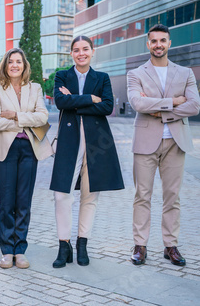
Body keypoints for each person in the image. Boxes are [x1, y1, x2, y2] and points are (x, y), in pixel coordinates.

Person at [127, 24, 200, 266]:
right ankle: (140, 245)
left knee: (172, 197)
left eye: (163, 40)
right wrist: (173, 102)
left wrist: (160, 111)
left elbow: (194, 106)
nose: (158, 44)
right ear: (148, 44)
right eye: (154, 41)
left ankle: (170, 246)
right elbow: (138, 103)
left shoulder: (185, 73)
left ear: (169, 43)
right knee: (142, 196)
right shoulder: (135, 74)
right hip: (145, 142)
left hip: (175, 142)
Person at [50, 36, 124, 268]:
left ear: (93, 51)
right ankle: (64, 245)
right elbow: (60, 102)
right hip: (68, 142)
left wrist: (75, 100)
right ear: (71, 53)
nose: (80, 53)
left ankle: (82, 244)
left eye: (85, 49)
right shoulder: (62, 75)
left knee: (90, 195)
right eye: (76, 50)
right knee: (61, 194)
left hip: (97, 143)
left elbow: (108, 106)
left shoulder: (101, 77)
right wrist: (90, 99)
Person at [0, 48, 52, 269]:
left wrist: (15, 116)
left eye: (18, 62)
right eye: (10, 62)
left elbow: (43, 117)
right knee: (7, 202)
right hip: (5, 150)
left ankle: (20, 250)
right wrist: (27, 120)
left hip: (28, 149)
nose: (14, 65)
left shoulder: (35, 88)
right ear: (5, 66)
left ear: (24, 66)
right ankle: (7, 251)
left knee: (24, 201)